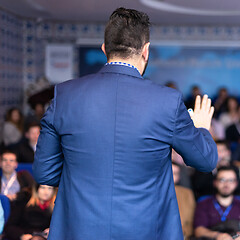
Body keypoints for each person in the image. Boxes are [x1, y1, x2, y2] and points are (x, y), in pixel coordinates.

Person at [33, 8, 218, 240]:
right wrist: (201, 127)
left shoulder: (64, 95)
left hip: (79, 230)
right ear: (145, 50)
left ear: (104, 48)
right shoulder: (167, 101)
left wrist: (83, 172)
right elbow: (205, 160)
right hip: (147, 232)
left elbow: (45, 173)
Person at [193, 166, 240, 240]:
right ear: (215, 183)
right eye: (222, 180)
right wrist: (217, 236)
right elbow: (199, 231)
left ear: (236, 183)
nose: (226, 184)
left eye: (231, 180)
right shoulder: (204, 204)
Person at [172, 162, 196, 239]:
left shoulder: (187, 193)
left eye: (175, 173)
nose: (171, 176)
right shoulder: (152, 193)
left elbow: (191, 220)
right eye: (169, 173)